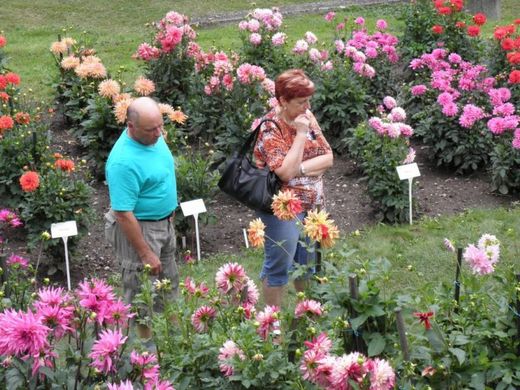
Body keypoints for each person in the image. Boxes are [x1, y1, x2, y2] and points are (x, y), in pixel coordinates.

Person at [253, 69, 333, 308]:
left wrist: (298, 168)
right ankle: (272, 326)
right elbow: (283, 173)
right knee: (279, 268)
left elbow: (328, 157)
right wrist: (300, 134)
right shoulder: (269, 129)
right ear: (283, 101)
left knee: (307, 267)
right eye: (301, 102)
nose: (307, 107)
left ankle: (306, 318)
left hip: (312, 205)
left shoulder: (307, 116)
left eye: (309, 101)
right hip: (282, 208)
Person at [104, 96, 179, 306]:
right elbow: (122, 213)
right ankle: (145, 340)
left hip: (163, 224)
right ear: (131, 126)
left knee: (169, 288)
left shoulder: (151, 135)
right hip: (142, 229)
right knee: (141, 296)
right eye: (151, 130)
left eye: (160, 126)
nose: (158, 133)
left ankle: (172, 337)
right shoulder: (122, 163)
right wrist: (145, 252)